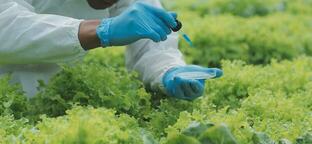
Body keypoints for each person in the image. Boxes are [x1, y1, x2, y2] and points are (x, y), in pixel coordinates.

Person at [0, 0, 223, 100]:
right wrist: (101, 30)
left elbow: (153, 45)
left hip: (46, 102)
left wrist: (169, 71)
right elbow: (5, 25)